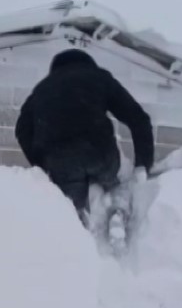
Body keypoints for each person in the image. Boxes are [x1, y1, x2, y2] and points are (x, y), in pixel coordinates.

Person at [15, 48, 154, 223]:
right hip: (100, 154)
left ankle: (79, 221)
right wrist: (142, 165)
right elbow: (139, 119)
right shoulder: (98, 77)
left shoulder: (41, 89)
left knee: (71, 207)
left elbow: (22, 130)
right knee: (120, 174)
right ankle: (117, 207)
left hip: (61, 162)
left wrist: (41, 165)